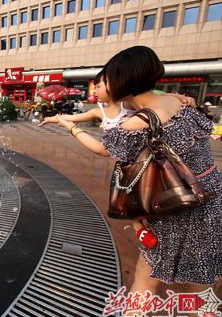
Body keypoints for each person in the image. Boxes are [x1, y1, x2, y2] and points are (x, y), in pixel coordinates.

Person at [51, 46, 221, 317]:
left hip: (175, 207)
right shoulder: (182, 103)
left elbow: (101, 148)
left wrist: (69, 127)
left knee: (145, 276)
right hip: (211, 199)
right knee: (200, 284)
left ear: (122, 81)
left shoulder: (139, 123)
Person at [39, 70, 195, 249]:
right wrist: (54, 119)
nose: (95, 90)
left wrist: (174, 95)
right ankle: (139, 229)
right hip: (124, 163)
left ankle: (155, 220)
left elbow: (151, 98)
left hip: (144, 160)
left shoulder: (128, 105)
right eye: (95, 86)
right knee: (123, 196)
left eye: (99, 86)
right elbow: (72, 118)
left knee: (145, 191)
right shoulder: (99, 112)